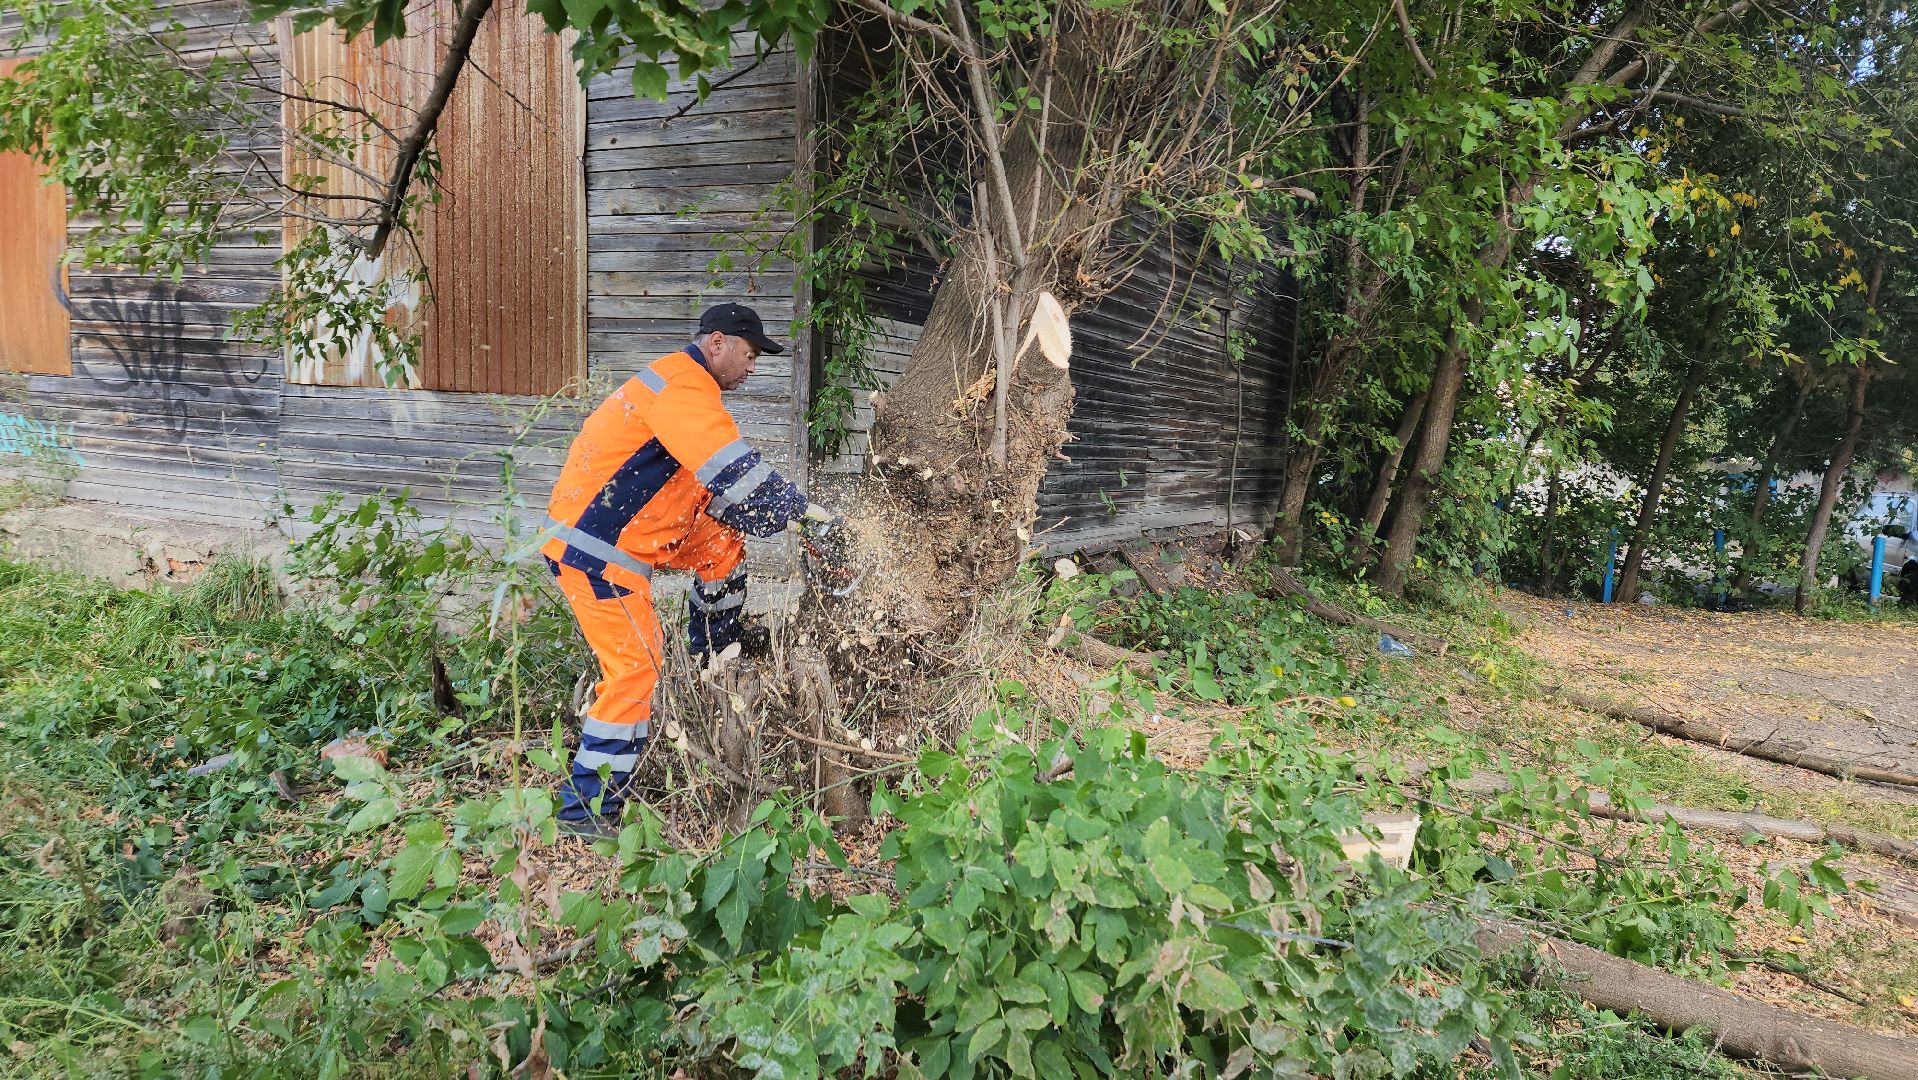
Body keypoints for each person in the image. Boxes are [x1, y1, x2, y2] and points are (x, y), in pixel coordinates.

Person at [540, 303, 847, 838]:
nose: (752, 369)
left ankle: (715, 651)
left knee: (723, 545)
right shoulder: (682, 387)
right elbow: (732, 467)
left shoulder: (686, 393)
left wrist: (789, 523)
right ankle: (586, 809)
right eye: (749, 356)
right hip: (596, 552)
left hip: (635, 535)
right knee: (638, 670)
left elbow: (716, 495)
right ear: (718, 343)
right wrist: (804, 513)